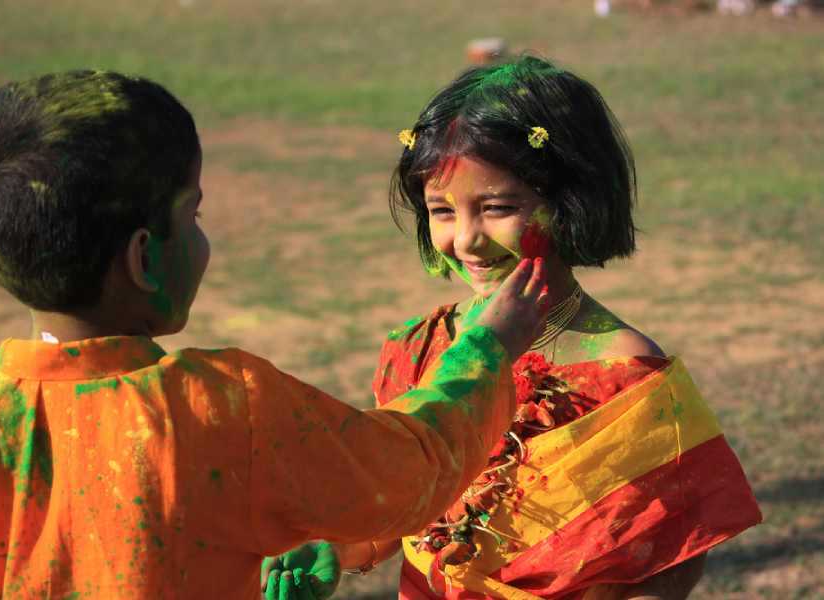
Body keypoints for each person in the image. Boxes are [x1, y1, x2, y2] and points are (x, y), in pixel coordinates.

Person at [0, 70, 555, 600]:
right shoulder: (221, 408)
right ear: (144, 260)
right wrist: (488, 350)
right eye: (192, 214)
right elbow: (410, 472)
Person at [264, 55, 762, 600]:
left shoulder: (625, 377)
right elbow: (408, 500)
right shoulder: (418, 350)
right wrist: (343, 546)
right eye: (443, 211)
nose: (466, 240)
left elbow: (668, 565)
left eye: (497, 207)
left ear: (569, 203)